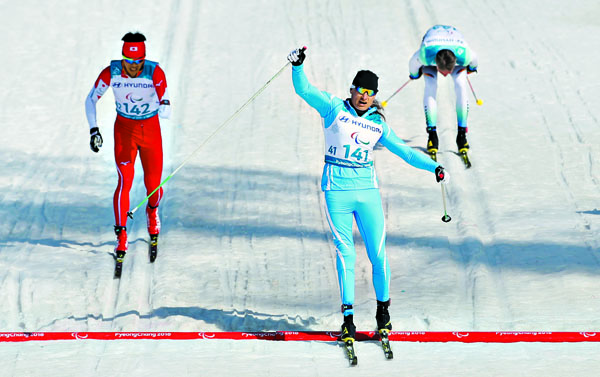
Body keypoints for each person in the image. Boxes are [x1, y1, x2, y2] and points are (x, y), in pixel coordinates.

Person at [287, 47, 447, 343]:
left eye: (369, 92)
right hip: (336, 191)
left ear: (374, 96)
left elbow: (407, 153)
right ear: (352, 90)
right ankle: (347, 319)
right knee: (345, 253)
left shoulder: (377, 124)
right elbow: (304, 89)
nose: (364, 96)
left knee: (378, 254)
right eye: (360, 90)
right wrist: (297, 66)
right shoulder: (333, 108)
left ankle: (383, 313)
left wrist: (434, 167)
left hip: (367, 193)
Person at [85, 32, 171, 264]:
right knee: (125, 180)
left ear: (144, 59)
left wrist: (164, 105)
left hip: (150, 131)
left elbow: (165, 97)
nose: (133, 67)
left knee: (153, 184)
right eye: (129, 62)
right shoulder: (111, 72)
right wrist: (94, 130)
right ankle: (121, 234)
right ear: (123, 58)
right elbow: (91, 99)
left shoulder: (154, 71)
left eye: (138, 62)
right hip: (124, 131)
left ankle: (152, 212)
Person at [408, 25, 478, 162]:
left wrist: (471, 68)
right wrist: (414, 74)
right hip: (433, 46)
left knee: (461, 86)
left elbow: (474, 61)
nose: (446, 75)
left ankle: (462, 135)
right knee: (430, 86)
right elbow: (412, 64)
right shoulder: (424, 55)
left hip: (453, 44)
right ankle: (432, 135)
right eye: (442, 71)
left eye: (449, 71)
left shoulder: (465, 55)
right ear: (436, 63)